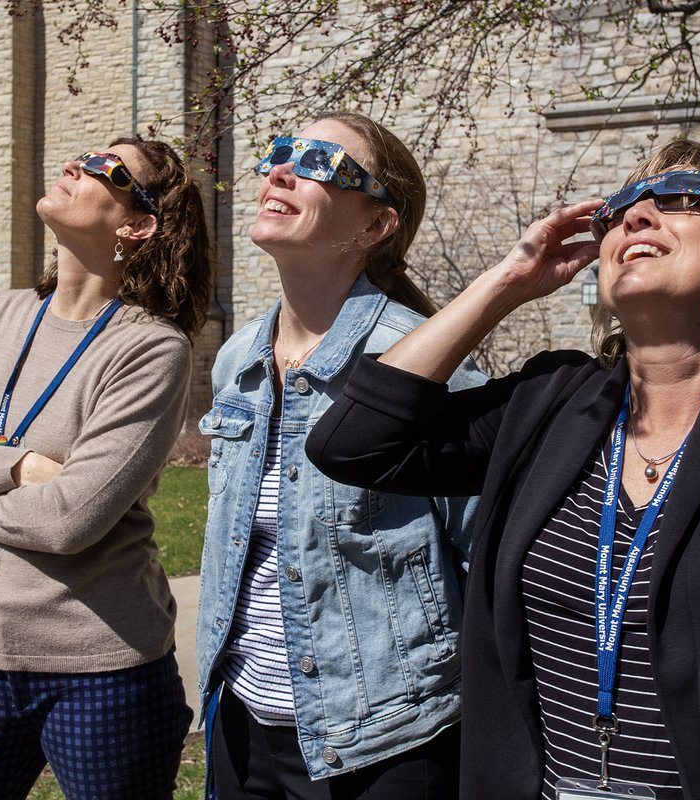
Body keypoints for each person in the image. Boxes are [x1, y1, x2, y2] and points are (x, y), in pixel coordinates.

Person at [307, 139, 700, 800]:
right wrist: (506, 282)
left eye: (680, 197)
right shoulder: (555, 402)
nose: (638, 217)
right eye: (619, 210)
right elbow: (352, 443)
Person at [0, 136, 212, 800]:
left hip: (101, 669)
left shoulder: (149, 349)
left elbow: (69, 520)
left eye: (107, 169)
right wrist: (20, 466)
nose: (75, 165)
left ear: (137, 223)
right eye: (82, 155)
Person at [196, 111, 487, 799]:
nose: (282, 170)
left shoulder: (426, 363)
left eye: (323, 163)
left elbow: (481, 555)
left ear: (374, 227)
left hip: (386, 740)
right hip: (242, 722)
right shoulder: (239, 357)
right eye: (282, 152)